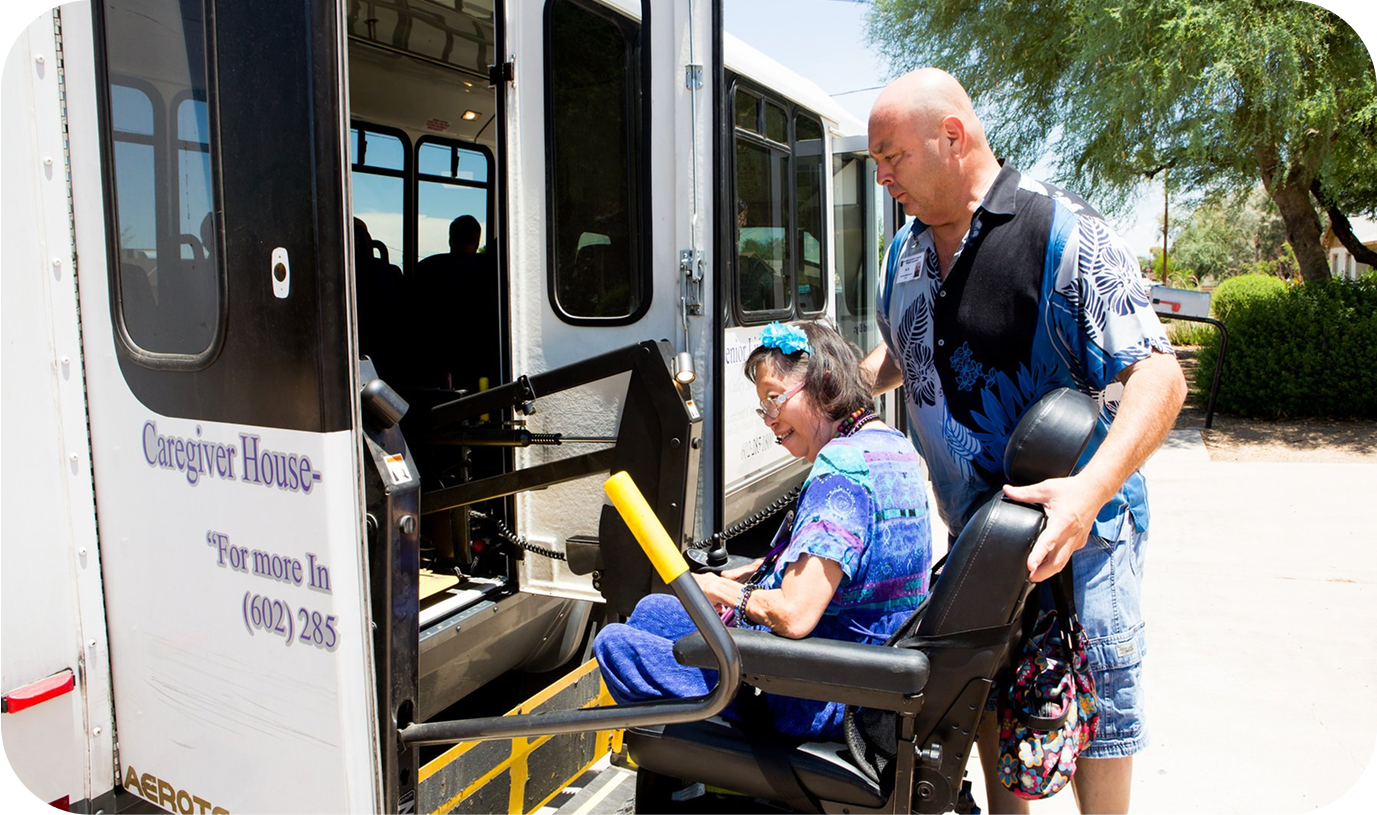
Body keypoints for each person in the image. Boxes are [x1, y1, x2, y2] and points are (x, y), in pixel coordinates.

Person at [861, 69, 1187, 814]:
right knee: (988, 696)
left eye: (891, 156)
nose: (880, 177)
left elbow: (1157, 376)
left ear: (952, 136)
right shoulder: (903, 252)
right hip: (981, 537)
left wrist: (1087, 495)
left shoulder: (1060, 229)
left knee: (1093, 712)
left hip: (1084, 534)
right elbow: (901, 356)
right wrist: (833, 397)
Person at [594, 320, 933, 740]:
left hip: (818, 693)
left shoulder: (840, 470)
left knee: (614, 646)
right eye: (763, 408)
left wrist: (721, 590)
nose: (769, 421)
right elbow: (847, 563)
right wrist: (761, 569)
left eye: (775, 401)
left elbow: (794, 615)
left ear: (824, 382)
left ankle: (703, 767)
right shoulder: (891, 444)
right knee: (651, 613)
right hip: (870, 671)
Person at [413, 215, 498, 391]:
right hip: (482, 362)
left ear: (450, 240)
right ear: (477, 242)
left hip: (431, 363)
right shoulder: (492, 270)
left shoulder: (425, 269)